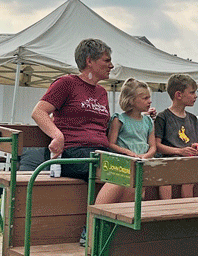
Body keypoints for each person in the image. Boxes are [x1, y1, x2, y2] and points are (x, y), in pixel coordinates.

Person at [32, 38, 114, 181]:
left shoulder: (102, 92)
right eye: (106, 61)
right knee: (123, 175)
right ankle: (96, 205)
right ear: (89, 61)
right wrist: (57, 136)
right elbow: (39, 112)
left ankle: (100, 204)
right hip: (73, 151)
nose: (111, 66)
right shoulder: (67, 83)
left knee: (138, 174)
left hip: (101, 153)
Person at [155, 73, 198, 198]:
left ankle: (187, 209)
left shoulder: (192, 118)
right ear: (178, 95)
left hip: (189, 164)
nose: (195, 96)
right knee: (166, 177)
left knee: (189, 176)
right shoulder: (163, 117)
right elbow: (157, 146)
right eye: (191, 92)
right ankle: (166, 210)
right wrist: (180, 151)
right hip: (168, 164)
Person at [107, 79, 159, 159]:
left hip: (143, 161)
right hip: (124, 161)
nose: (150, 101)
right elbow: (111, 144)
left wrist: (146, 156)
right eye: (145, 98)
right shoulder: (119, 120)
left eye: (149, 98)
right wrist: (127, 152)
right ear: (131, 100)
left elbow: (153, 146)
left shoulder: (148, 121)